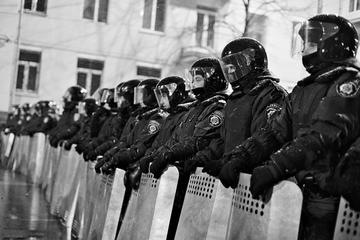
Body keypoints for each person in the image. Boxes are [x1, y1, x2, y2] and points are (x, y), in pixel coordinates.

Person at [218, 14, 360, 240]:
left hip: (331, 200)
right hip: (298, 194)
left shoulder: (349, 84)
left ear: (333, 43)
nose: (304, 48)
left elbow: (322, 135)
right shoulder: (303, 89)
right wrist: (240, 157)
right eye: (304, 42)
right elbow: (274, 132)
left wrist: (275, 168)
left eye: (311, 42)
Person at [185, 38, 288, 176]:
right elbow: (222, 140)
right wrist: (202, 158)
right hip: (232, 174)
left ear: (250, 63)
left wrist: (237, 161)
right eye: (226, 69)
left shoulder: (269, 93)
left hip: (253, 177)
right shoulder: (235, 98)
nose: (229, 73)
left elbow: (266, 137)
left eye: (232, 67)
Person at [148, 57, 229, 179]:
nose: (193, 84)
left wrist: (172, 155)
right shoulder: (193, 108)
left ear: (213, 80)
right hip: (181, 171)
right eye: (193, 80)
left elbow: (201, 140)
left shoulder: (218, 106)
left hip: (197, 175)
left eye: (198, 79)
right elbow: (175, 139)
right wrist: (155, 156)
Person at [96, 78, 166, 174]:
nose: (139, 98)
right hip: (128, 161)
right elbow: (126, 140)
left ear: (151, 95)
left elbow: (141, 146)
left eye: (142, 94)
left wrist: (117, 159)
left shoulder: (157, 118)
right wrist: (110, 156)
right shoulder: (141, 116)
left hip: (137, 167)